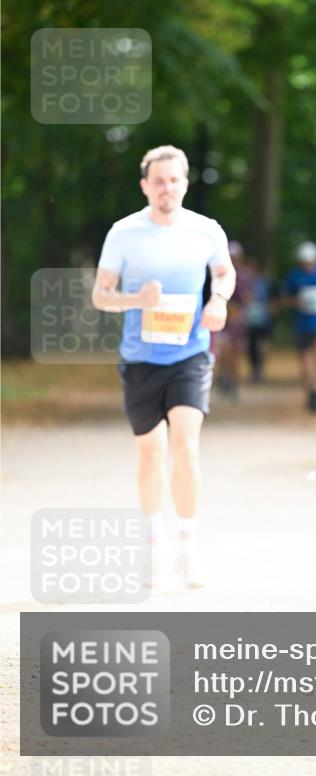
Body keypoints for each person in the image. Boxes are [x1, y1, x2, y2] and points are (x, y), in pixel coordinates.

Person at [92, 145, 235, 588]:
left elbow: (225, 273)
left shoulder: (205, 230)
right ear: (145, 186)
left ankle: (188, 546)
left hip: (190, 354)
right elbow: (101, 295)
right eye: (158, 181)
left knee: (186, 446)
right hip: (140, 359)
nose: (166, 188)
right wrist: (138, 299)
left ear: (185, 184)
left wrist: (218, 301)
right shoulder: (124, 233)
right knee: (151, 452)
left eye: (174, 180)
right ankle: (153, 541)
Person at [284, 241, 316, 413]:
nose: (308, 266)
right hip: (302, 325)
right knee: (306, 360)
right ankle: (310, 392)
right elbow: (286, 299)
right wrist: (298, 302)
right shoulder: (294, 277)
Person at [213, 241, 252, 401]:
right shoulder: (219, 274)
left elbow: (247, 298)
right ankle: (224, 378)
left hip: (236, 320)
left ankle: (232, 382)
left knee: (234, 353)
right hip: (222, 317)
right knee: (222, 350)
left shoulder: (243, 276)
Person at [244, 258, 278, 383]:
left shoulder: (265, 282)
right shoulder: (247, 283)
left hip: (263, 319)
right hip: (251, 320)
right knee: (253, 345)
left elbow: (273, 300)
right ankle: (257, 369)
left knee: (261, 344)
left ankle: (259, 369)